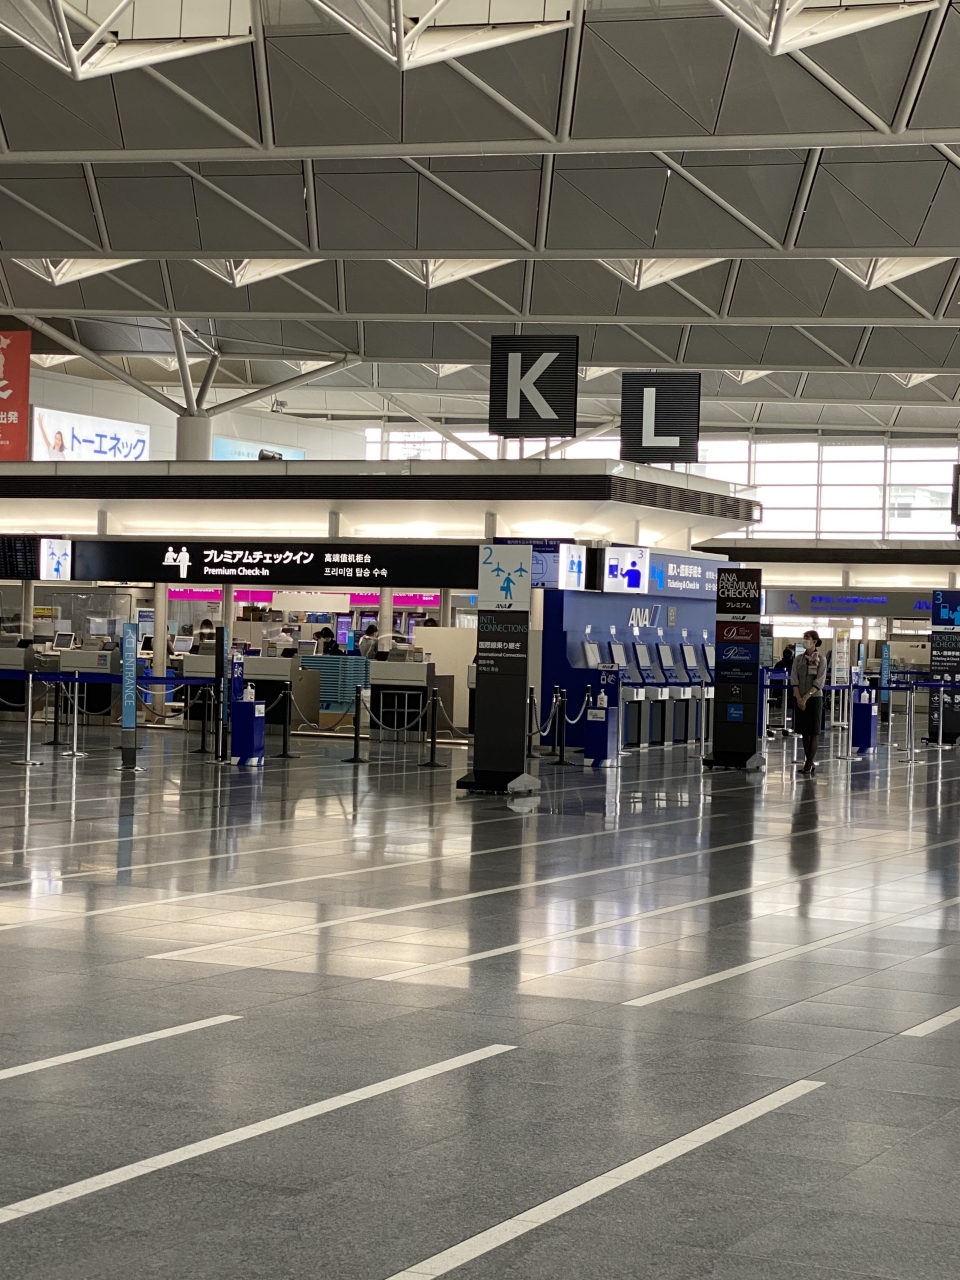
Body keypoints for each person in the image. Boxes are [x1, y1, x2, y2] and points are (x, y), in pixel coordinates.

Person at [791, 631, 826, 775]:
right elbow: (794, 679)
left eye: (807, 638)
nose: (804, 641)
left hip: (814, 698)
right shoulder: (798, 659)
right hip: (800, 698)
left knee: (814, 732)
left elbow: (820, 681)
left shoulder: (821, 659)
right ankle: (809, 762)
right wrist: (799, 698)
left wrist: (805, 698)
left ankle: (808, 763)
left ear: (814, 642)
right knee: (804, 732)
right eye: (804, 638)